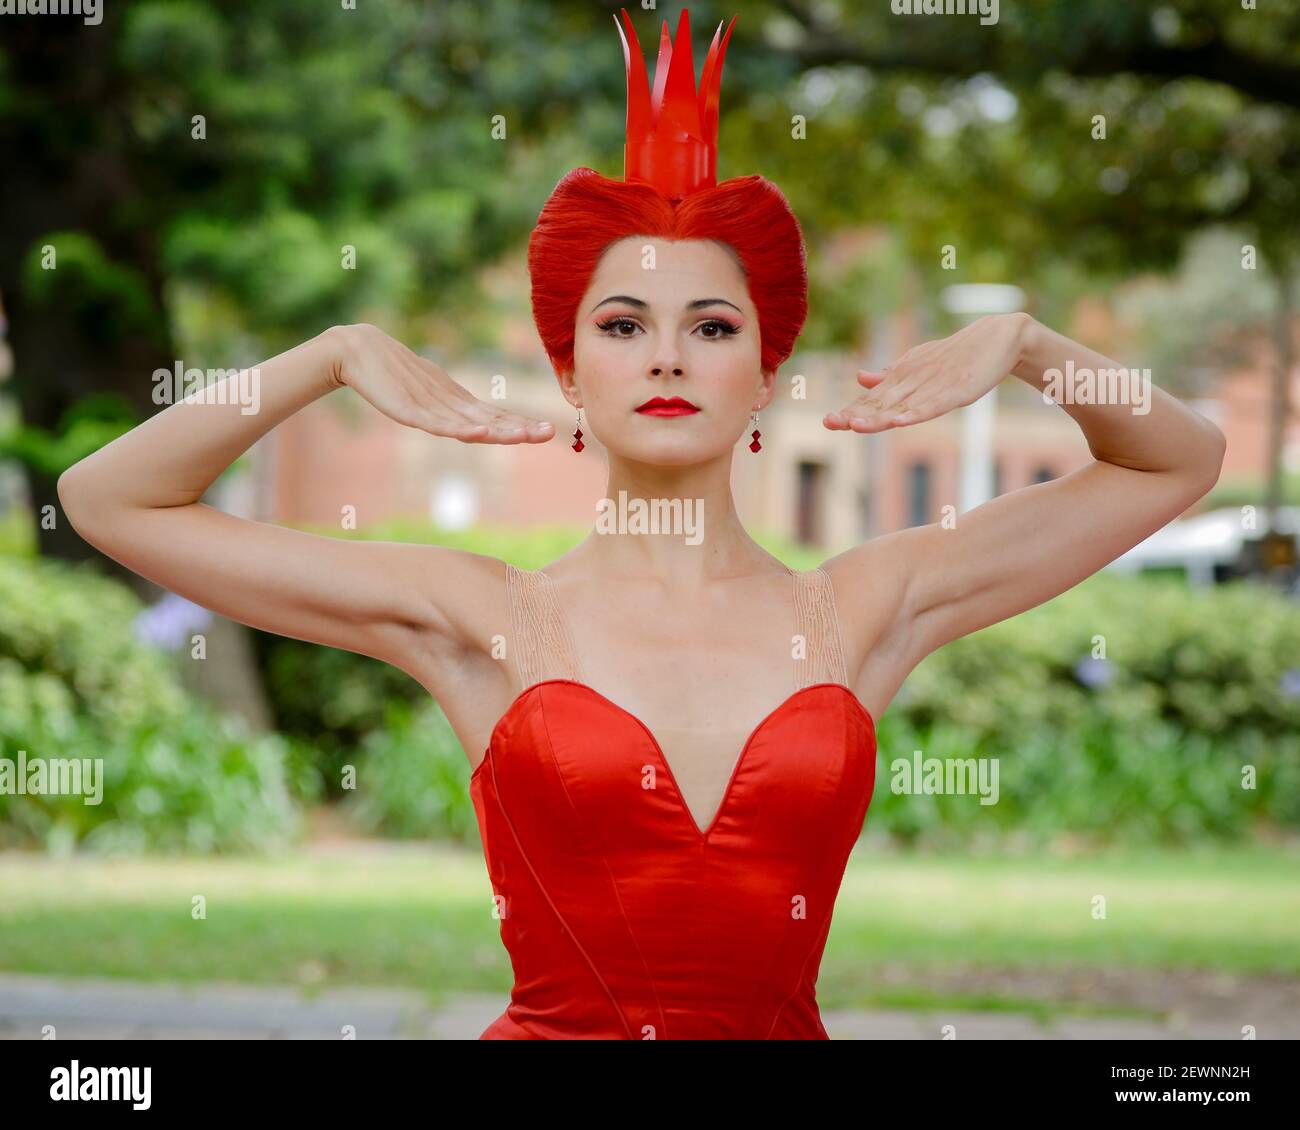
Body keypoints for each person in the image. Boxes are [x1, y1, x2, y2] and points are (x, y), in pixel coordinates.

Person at [56, 8, 1225, 1039]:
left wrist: (1026, 343)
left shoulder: (861, 607)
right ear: (567, 370)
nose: (667, 352)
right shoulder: (482, 616)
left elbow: (1177, 458)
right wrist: (332, 356)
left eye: (712, 326)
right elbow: (110, 497)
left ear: (767, 370)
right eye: (622, 323)